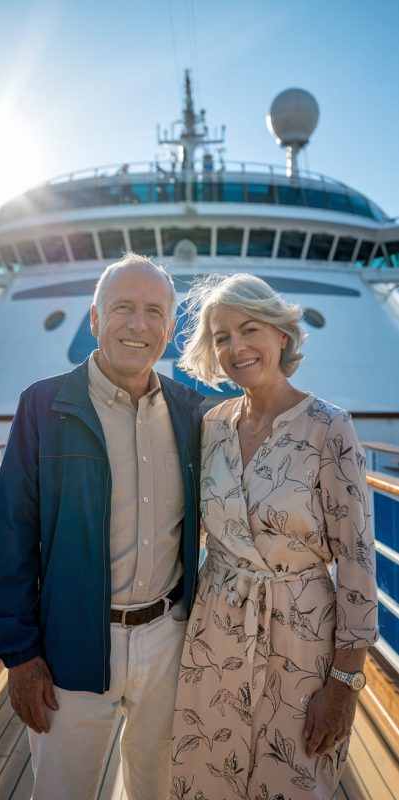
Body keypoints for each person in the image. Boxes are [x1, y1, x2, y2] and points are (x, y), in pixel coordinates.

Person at [0, 253, 203, 800]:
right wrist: (20, 655)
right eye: (123, 307)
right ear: (96, 320)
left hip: (168, 638)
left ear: (170, 330)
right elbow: (10, 535)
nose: (138, 324)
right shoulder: (45, 405)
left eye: (154, 312)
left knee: (159, 789)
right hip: (70, 644)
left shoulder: (191, 412)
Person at [170, 273, 378, 800]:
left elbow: (356, 563)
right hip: (214, 632)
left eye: (249, 328)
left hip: (301, 639)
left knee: (292, 779)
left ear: (281, 335)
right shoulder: (211, 425)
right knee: (204, 776)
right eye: (221, 337)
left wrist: (345, 683)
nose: (235, 347)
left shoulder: (329, 427)